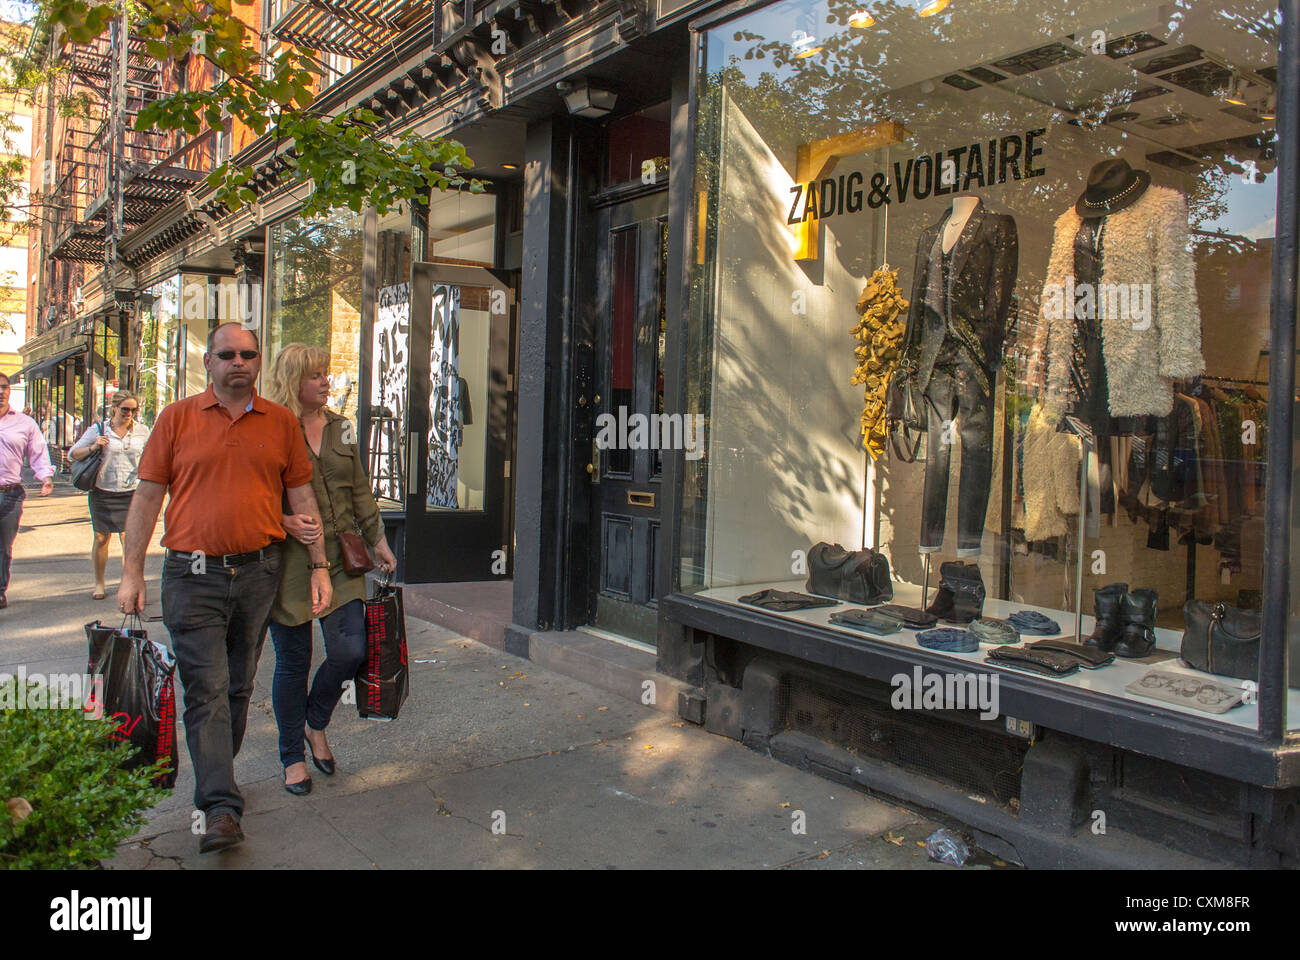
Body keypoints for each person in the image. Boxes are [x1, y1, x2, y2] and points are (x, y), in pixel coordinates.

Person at [118, 323, 333, 855]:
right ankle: (220, 806)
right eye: (227, 354)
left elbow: (302, 499)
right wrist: (130, 573)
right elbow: (146, 500)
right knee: (208, 687)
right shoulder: (176, 418)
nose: (238, 361)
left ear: (258, 363)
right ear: (209, 363)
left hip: (259, 571)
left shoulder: (281, 423)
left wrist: (319, 566)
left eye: (248, 354)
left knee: (238, 686)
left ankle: (219, 782)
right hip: (192, 576)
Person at [265, 344, 397, 795]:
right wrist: (281, 520)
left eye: (326, 374)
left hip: (341, 561)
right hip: (286, 563)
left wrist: (379, 541)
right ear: (293, 381)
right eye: (316, 375)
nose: (326, 381)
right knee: (292, 662)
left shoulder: (341, 428)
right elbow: (256, 493)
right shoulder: (271, 427)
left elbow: (360, 489)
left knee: (349, 651)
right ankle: (291, 758)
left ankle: (314, 722)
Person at [69, 390, 150, 600]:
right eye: (125, 409)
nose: (129, 414)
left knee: (128, 539)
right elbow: (73, 454)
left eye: (133, 410)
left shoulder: (142, 431)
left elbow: (151, 456)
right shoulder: (98, 429)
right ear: (114, 407)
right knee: (101, 537)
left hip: (131, 491)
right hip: (102, 490)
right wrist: (94, 446)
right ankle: (99, 583)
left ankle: (128, 582)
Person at [0, 372, 54, 610]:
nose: (0, 392)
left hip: (9, 493)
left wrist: (46, 477)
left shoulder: (24, 423)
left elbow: (38, 451)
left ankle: (0, 590)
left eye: (3, 387)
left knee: (3, 547)